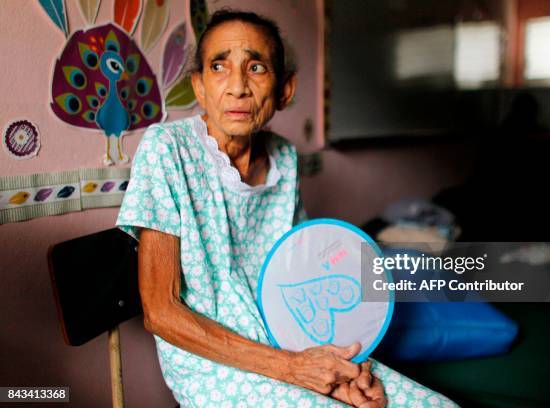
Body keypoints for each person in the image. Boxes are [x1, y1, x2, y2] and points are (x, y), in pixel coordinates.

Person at [116, 9, 457, 408]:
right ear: (200, 87)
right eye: (219, 66)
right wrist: (294, 369)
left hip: (292, 343)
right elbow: (161, 312)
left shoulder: (284, 158)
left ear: (285, 89)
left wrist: (343, 367)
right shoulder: (166, 150)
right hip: (215, 364)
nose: (238, 87)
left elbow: (302, 281)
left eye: (256, 67)